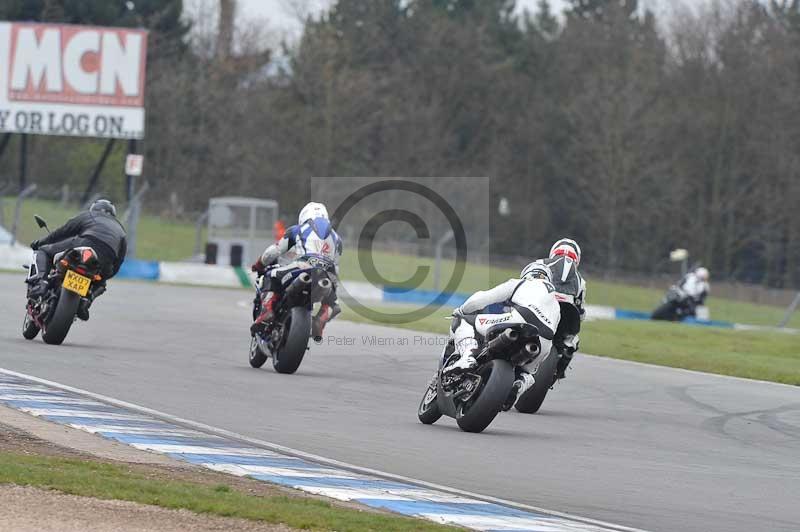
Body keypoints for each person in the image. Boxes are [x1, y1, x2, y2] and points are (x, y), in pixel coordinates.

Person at [443, 262, 561, 410]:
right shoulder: (556, 304)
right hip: (544, 340)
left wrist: (462, 309)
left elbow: (482, 298)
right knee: (527, 372)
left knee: (465, 321)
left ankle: (467, 357)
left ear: (528, 273)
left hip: (520, 318)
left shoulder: (521, 283)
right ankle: (519, 385)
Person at [250, 202, 342, 338]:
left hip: (303, 266)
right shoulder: (338, 239)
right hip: (327, 275)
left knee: (271, 275)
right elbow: (336, 267)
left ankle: (267, 311)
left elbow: (274, 252)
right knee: (333, 303)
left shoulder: (297, 229)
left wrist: (259, 264)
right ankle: (321, 320)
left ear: (304, 215)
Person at [27, 199, 127, 321]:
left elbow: (63, 232)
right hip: (106, 258)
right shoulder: (121, 230)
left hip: (85, 243)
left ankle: (41, 284)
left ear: (94, 208)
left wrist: (40, 242)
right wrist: (106, 275)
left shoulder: (89, 215)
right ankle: (86, 301)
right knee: (102, 282)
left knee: (43, 251)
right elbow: (119, 261)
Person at [522, 238, 586, 379]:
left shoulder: (539, 263)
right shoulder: (581, 281)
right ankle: (558, 371)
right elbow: (580, 313)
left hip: (539, 306)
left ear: (553, 252)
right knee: (573, 342)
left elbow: (521, 285)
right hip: (566, 315)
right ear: (577, 259)